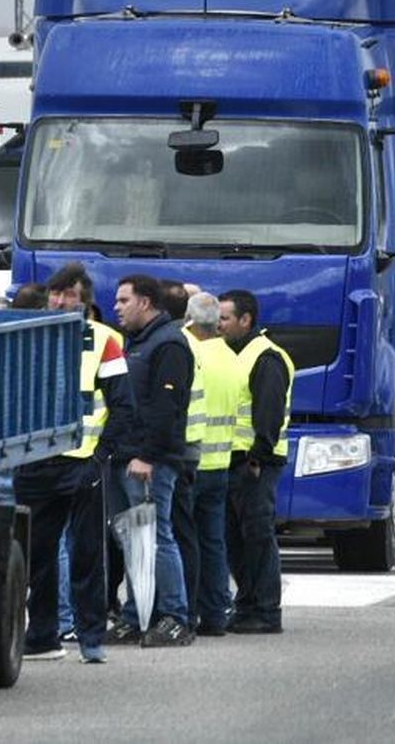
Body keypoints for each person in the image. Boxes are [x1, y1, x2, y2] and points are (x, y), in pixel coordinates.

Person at [14, 262, 133, 665]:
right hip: (36, 461)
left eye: (69, 294)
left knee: (86, 554)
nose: (60, 300)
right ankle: (43, 636)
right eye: (56, 293)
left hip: (83, 462)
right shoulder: (28, 334)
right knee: (38, 554)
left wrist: (101, 455)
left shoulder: (106, 340)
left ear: (85, 302)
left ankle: (91, 638)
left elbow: (123, 405)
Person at [104, 273, 195, 647]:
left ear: (145, 302)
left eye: (124, 300)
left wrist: (147, 456)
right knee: (132, 538)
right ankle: (136, 614)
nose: (116, 307)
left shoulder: (169, 344)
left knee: (157, 537)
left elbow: (166, 407)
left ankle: (175, 617)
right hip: (126, 455)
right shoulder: (136, 342)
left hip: (149, 461)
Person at [219, 289, 293, 634]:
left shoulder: (265, 357)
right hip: (237, 460)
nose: (219, 324)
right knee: (237, 538)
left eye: (225, 318)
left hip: (256, 462)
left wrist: (257, 458)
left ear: (245, 320)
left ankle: (266, 611)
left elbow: (269, 412)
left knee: (258, 537)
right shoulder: (237, 353)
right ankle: (247, 605)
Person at [183, 292, 238, 636]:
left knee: (183, 540)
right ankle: (217, 613)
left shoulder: (188, 351)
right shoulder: (229, 355)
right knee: (213, 542)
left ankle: (185, 609)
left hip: (191, 461)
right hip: (221, 462)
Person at [157, 278, 204, 631]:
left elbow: (169, 405)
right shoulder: (189, 342)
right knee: (184, 534)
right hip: (190, 451)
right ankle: (188, 608)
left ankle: (179, 610)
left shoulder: (171, 346)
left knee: (172, 534)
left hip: (175, 452)